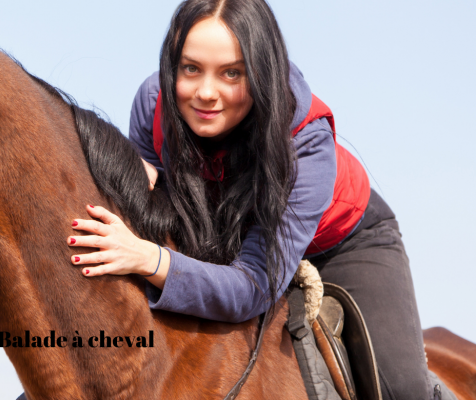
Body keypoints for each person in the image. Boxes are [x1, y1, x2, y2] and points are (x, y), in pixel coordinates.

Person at [67, 0, 432, 398]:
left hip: (340, 242)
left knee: (402, 389)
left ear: (261, 71)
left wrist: (148, 258)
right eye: (191, 68)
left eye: (232, 73)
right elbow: (159, 206)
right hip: (228, 234)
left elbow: (253, 285)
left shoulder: (306, 147)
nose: (206, 93)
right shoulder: (154, 103)